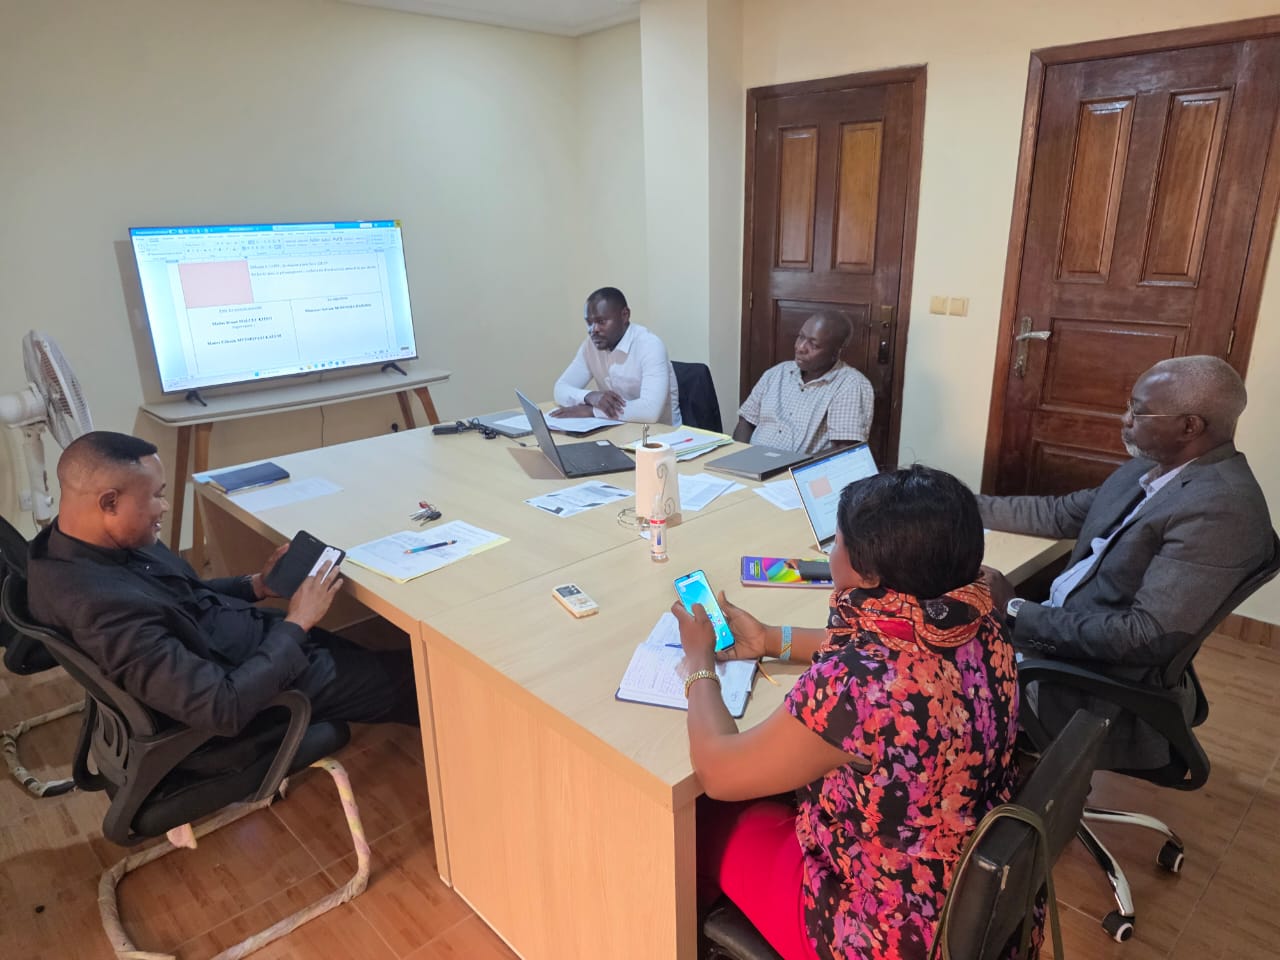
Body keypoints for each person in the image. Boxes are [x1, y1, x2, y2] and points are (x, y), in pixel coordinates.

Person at [673, 466, 1022, 960]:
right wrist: (770, 638)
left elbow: (718, 771)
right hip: (971, 887)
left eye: (835, 543)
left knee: (695, 826)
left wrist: (699, 662)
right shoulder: (980, 617)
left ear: (869, 575)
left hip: (882, 928)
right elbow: (889, 646)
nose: (829, 554)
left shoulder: (857, 687)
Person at [980, 355, 1271, 770]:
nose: (1125, 419)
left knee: (921, 673)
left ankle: (978, 786)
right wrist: (950, 502)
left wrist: (1014, 610)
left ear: (1190, 426)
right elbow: (1059, 514)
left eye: (1139, 410)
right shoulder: (1156, 468)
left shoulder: (1221, 509)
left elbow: (1144, 636)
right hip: (1061, 632)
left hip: (1087, 682)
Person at [26, 431, 417, 738]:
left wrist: (256, 586)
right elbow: (221, 708)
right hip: (259, 688)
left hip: (257, 642)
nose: (164, 508)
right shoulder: (100, 608)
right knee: (421, 684)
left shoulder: (76, 543)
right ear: (109, 502)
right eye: (157, 497)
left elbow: (184, 595)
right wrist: (297, 622)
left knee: (386, 663)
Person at [733, 312, 873, 454]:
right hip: (751, 460)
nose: (800, 347)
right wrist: (740, 456)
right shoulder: (777, 373)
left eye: (814, 345)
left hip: (802, 466)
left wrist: (792, 466)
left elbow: (844, 449)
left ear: (837, 350)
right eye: (801, 337)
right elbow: (746, 421)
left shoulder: (850, 384)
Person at [552, 286, 681, 426]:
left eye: (601, 322)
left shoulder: (650, 345)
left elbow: (650, 411)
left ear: (625, 315)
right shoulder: (590, 346)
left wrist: (592, 411)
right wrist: (589, 397)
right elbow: (560, 388)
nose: (593, 330)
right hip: (617, 428)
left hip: (659, 433)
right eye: (589, 323)